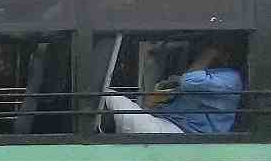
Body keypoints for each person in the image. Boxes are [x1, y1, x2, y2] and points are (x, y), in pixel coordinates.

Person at [104, 37, 242, 134]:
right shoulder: (212, 76)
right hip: (166, 126)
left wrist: (208, 54)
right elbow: (149, 105)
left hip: (179, 135)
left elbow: (189, 81)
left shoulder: (231, 78)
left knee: (107, 94)